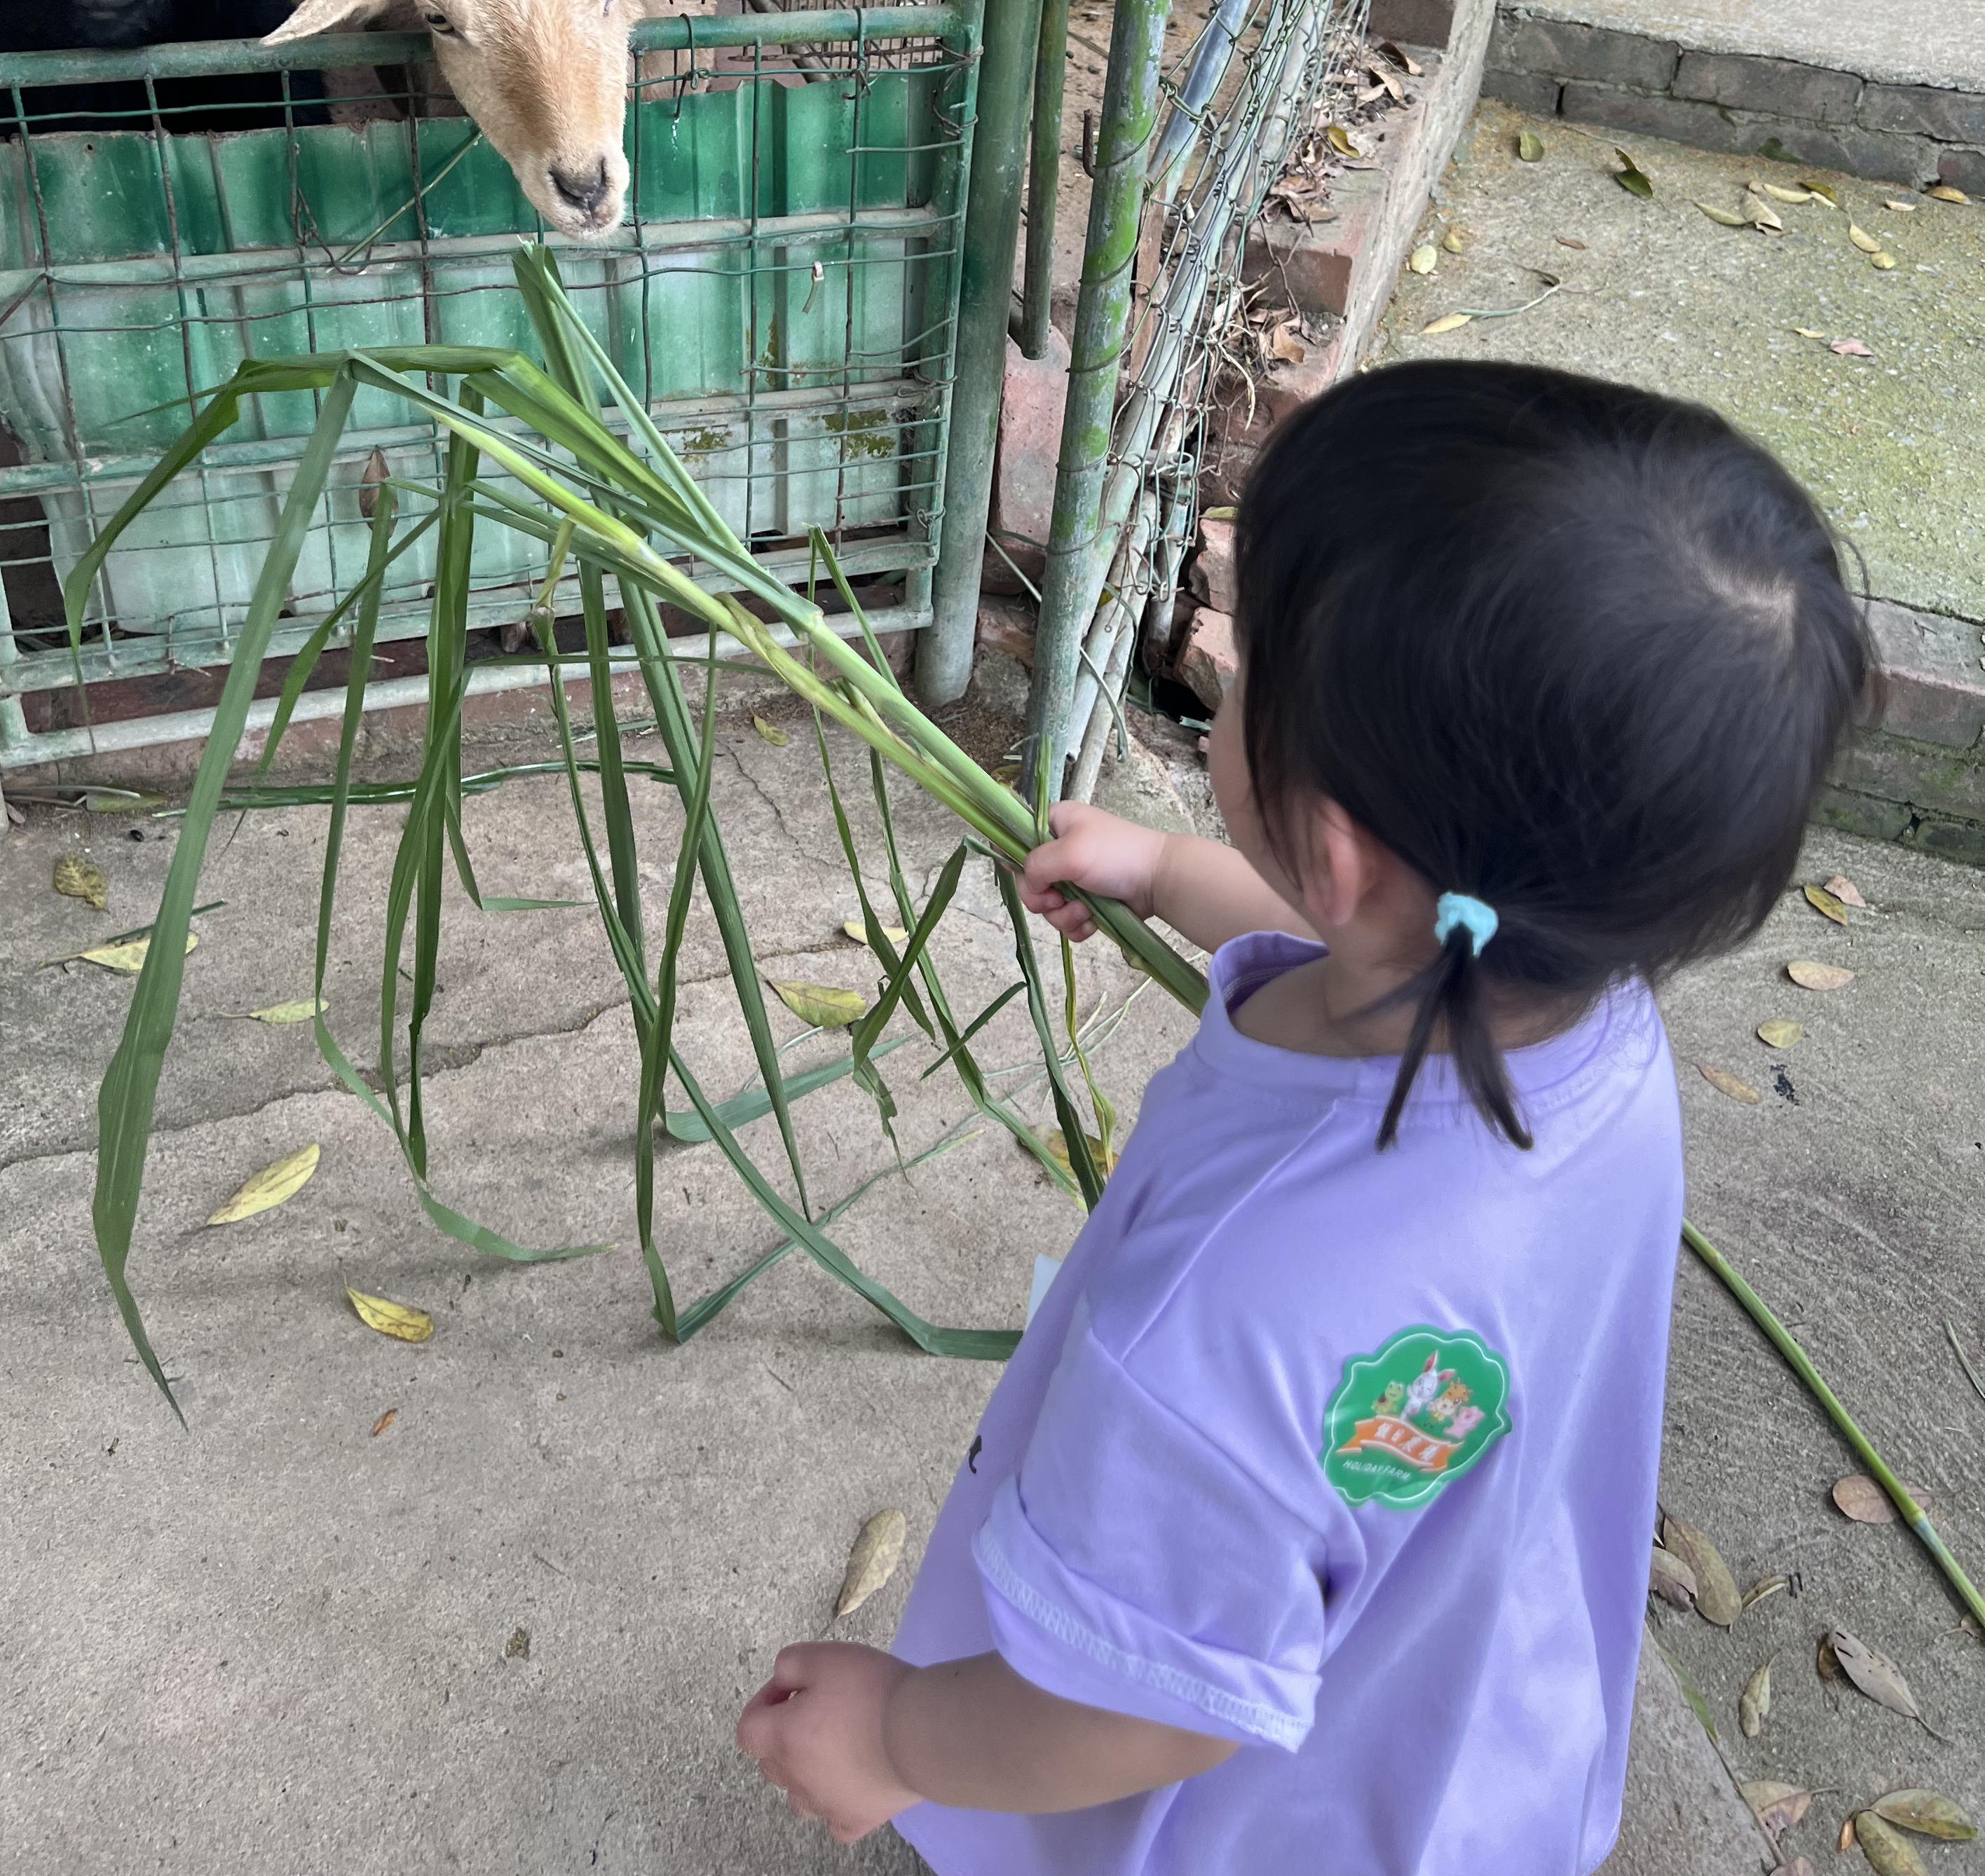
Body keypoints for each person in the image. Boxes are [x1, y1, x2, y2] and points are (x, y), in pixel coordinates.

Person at [739, 361, 1870, 1874]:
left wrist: (895, 1739)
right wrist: (1164, 870)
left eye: (1245, 663)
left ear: (1338, 854)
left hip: (1245, 1824)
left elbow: (1155, 1712)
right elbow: (1373, 939)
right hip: (1462, 1741)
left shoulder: (1220, 1337)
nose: (1219, 657)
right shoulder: (1582, 1008)